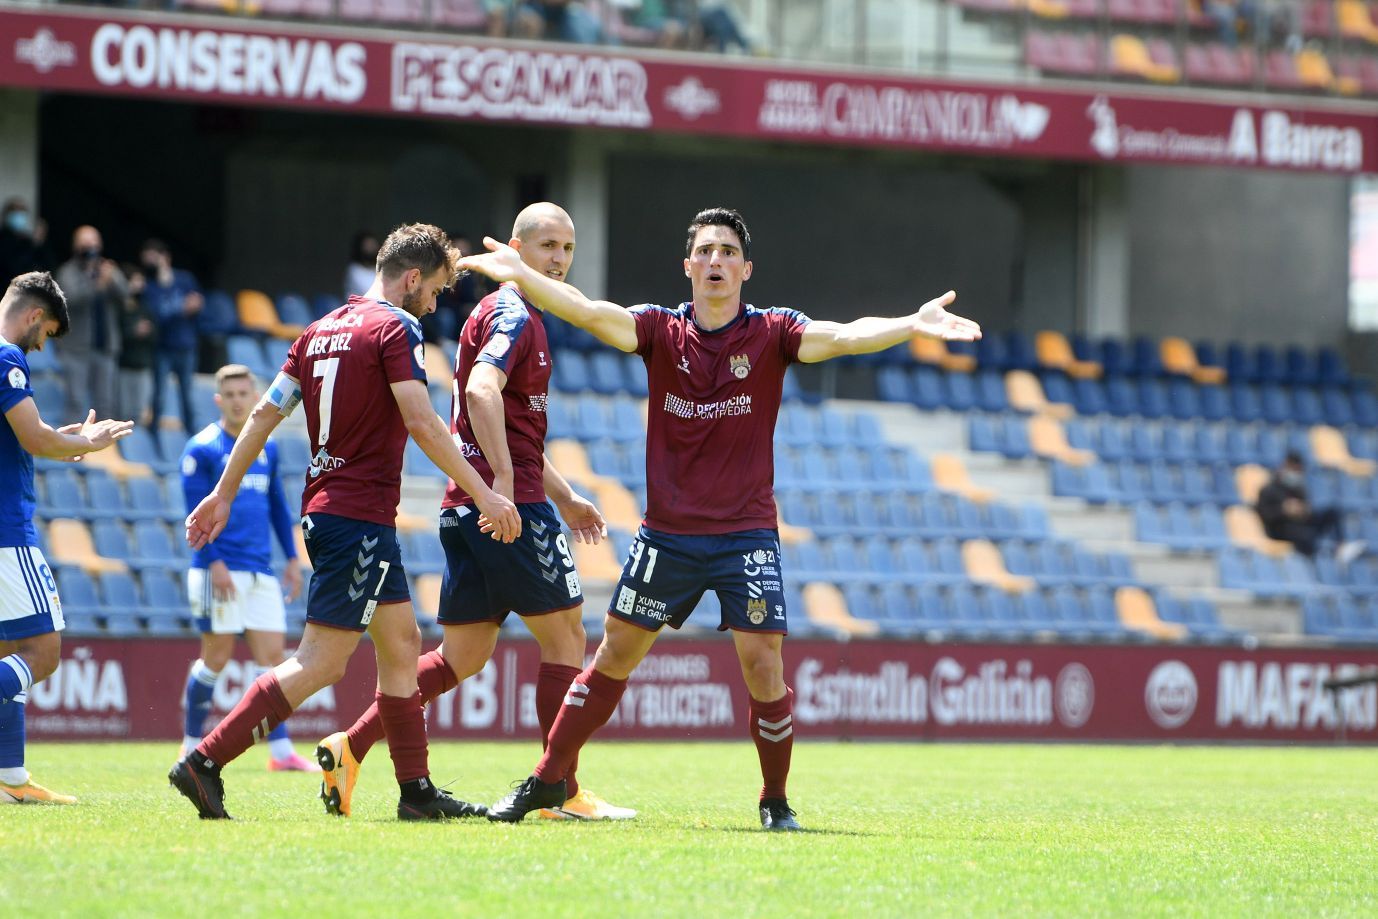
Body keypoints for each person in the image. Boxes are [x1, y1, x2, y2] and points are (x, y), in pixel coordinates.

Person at [458, 207, 980, 830]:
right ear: (687, 265)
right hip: (668, 535)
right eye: (705, 251)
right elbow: (589, 311)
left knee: (764, 663)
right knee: (614, 655)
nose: (715, 261)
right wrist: (521, 276)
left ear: (746, 269)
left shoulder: (773, 334)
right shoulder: (658, 331)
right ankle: (548, 782)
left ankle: (775, 801)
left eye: (728, 252)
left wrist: (912, 324)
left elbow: (843, 335)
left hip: (745, 534)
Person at [171, 223, 521, 821]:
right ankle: (205, 759)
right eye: (434, 291)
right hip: (356, 516)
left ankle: (416, 793)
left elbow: (263, 412)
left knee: (403, 645)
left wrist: (224, 494)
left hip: (340, 512)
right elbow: (422, 421)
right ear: (412, 278)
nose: (434, 304)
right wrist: (486, 493)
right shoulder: (395, 326)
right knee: (323, 662)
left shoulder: (316, 331)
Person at [316, 204, 634, 821]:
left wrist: (563, 493)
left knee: (463, 657)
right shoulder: (516, 311)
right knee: (567, 635)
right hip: (504, 509)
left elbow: (499, 421)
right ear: (514, 249)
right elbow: (484, 392)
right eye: (546, 246)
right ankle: (560, 791)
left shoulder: (494, 313)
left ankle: (349, 747)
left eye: (567, 249)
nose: (559, 260)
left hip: (466, 507)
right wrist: (510, 484)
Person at [0, 271, 133, 804]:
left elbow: (26, 438)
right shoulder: (8, 357)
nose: (43, 344)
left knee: (12, 649)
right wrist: (92, 441)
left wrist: (67, 439)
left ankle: (10, 780)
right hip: (8, 532)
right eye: (48, 333)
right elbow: (32, 436)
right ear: (35, 317)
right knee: (45, 651)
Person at [178, 364, 314, 772]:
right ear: (219, 400)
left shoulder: (265, 447)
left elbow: (276, 506)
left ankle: (280, 752)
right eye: (230, 395)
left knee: (273, 660)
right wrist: (212, 561)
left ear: (255, 396)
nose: (238, 401)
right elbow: (192, 514)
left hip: (261, 569)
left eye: (244, 394)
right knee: (216, 658)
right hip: (219, 569)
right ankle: (188, 744)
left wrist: (291, 557)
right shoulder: (201, 449)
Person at [55, 226, 127, 423]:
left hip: (105, 347)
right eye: (85, 245)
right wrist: (97, 286)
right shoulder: (67, 271)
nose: (90, 249)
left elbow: (125, 295)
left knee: (106, 403)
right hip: (76, 348)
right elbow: (71, 300)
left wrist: (113, 277)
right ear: (76, 247)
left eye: (94, 244)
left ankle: (103, 452)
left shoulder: (106, 270)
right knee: (76, 401)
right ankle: (71, 451)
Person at [141, 239, 203, 434]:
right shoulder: (150, 287)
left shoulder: (184, 279)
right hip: (163, 347)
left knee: (187, 395)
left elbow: (199, 304)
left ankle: (191, 434)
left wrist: (183, 308)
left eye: (155, 258)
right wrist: (182, 308)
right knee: (159, 395)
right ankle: (153, 434)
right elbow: (156, 316)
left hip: (186, 346)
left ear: (165, 257)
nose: (151, 263)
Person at [1256, 452, 1365, 561]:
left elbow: (1306, 509)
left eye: (1298, 470)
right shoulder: (1268, 490)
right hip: (1281, 529)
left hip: (1300, 523)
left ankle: (1341, 547)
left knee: (1332, 512)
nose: (1296, 473)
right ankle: (1317, 560)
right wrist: (1284, 510)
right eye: (1294, 469)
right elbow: (1264, 515)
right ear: (1285, 466)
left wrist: (1302, 511)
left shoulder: (1297, 488)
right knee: (1307, 536)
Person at [117, 267, 158, 427]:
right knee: (124, 412)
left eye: (141, 281)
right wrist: (134, 332)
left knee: (140, 412)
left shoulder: (146, 306)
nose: (139, 285)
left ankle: (137, 445)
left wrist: (147, 331)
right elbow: (118, 334)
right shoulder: (119, 306)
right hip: (124, 365)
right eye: (136, 280)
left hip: (143, 365)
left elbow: (156, 334)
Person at [0, 200, 56, 281]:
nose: (19, 218)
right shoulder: (2, 241)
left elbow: (49, 267)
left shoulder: (27, 242)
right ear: (6, 216)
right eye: (15, 212)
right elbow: (14, 268)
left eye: (22, 212)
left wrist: (40, 243)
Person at [343, 231, 378, 300]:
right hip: (357, 309)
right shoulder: (354, 270)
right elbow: (369, 293)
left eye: (373, 245)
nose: (371, 248)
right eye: (367, 245)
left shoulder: (379, 269)